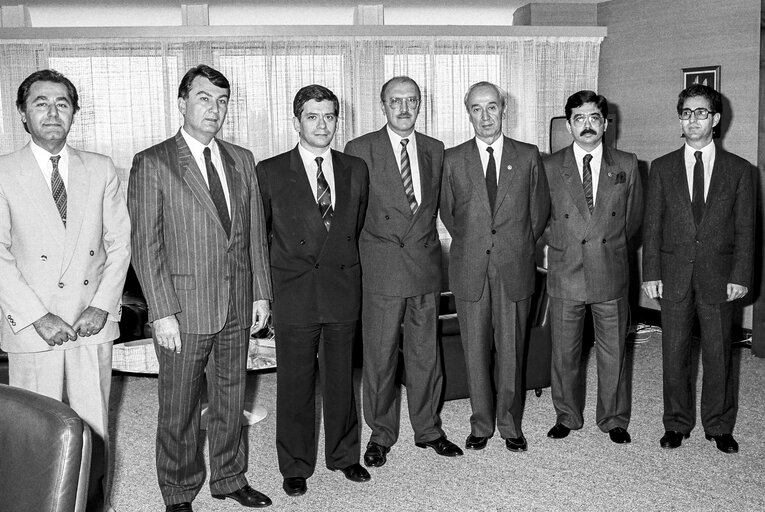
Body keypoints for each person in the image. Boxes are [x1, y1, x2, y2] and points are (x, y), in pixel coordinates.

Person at [128, 65, 273, 511]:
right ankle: (178, 490)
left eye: (222, 100)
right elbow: (145, 244)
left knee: (231, 397)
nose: (214, 109)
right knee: (179, 408)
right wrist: (161, 311)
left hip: (236, 303)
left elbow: (253, 233)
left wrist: (261, 292)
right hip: (183, 311)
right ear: (182, 103)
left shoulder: (241, 158)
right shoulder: (153, 162)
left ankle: (229, 477)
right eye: (204, 98)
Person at [0, 69, 131, 512]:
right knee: (34, 430)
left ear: (74, 112)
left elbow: (120, 244)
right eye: (41, 103)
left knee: (94, 425)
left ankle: (94, 505)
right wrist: (38, 316)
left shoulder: (101, 168)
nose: (52, 112)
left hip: (89, 321)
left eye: (62, 103)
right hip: (32, 326)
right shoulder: (2, 171)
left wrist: (102, 306)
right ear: (23, 113)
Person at [256, 84, 370, 497]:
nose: (322, 125)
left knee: (342, 379)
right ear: (296, 121)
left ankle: (344, 456)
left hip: (342, 287)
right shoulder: (269, 171)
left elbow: (352, 230)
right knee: (295, 383)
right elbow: (261, 237)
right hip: (295, 292)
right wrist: (264, 295)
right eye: (312, 116)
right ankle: (295, 464)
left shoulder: (355, 168)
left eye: (329, 116)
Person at [344, 76, 462, 467]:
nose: (404, 108)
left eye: (411, 101)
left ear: (420, 104)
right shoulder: (360, 149)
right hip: (380, 268)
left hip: (425, 265)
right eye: (396, 101)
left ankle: (429, 429)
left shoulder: (435, 148)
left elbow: (445, 207)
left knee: (426, 353)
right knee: (379, 358)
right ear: (383, 105)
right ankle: (381, 435)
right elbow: (350, 215)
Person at [642, 84, 754, 454]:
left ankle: (719, 425)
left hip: (720, 278)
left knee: (719, 353)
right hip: (673, 275)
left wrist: (741, 275)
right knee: (674, 352)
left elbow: (746, 230)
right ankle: (676, 423)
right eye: (686, 113)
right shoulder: (661, 168)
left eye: (701, 112)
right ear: (680, 118)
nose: (692, 120)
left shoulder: (740, 170)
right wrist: (651, 272)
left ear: (716, 119)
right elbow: (652, 226)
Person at [440, 81, 549, 452]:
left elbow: (538, 213)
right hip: (470, 267)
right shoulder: (452, 159)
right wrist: (477, 243)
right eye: (476, 108)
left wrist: (514, 245)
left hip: (514, 266)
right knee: (475, 351)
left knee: (512, 350)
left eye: (491, 107)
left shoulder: (529, 155)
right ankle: (481, 423)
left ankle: (509, 423)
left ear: (504, 108)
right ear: (467, 112)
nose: (485, 116)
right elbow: (449, 214)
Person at [542, 90, 643, 445]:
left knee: (613, 350)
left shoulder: (627, 164)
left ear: (605, 123)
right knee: (564, 352)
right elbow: (541, 217)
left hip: (610, 269)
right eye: (579, 119)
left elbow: (633, 222)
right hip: (566, 267)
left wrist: (608, 244)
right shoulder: (550, 166)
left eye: (594, 118)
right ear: (569, 124)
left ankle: (614, 417)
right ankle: (566, 415)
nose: (588, 126)